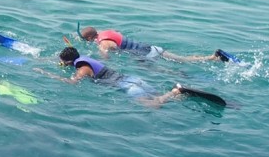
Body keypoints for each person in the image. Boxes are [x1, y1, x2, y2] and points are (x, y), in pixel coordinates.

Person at [34, 46, 192, 108]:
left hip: (129, 86)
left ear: (69, 62)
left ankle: (174, 92)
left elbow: (72, 83)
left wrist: (47, 74)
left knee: (154, 105)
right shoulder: (84, 58)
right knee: (156, 96)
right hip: (132, 79)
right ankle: (175, 94)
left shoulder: (82, 69)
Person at [78, 26, 224, 62]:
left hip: (145, 55)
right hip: (151, 47)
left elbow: (109, 52)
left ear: (90, 38)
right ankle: (211, 57)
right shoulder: (108, 31)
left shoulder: (103, 43)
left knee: (166, 72)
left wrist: (102, 55)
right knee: (182, 59)